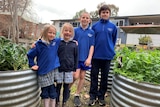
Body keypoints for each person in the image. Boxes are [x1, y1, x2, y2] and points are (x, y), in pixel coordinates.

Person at [88, 5, 118, 106]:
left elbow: (113, 41)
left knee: (104, 78)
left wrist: (110, 49)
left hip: (107, 57)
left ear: (109, 14)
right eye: (103, 12)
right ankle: (92, 96)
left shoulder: (113, 27)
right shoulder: (95, 26)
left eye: (106, 12)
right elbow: (92, 41)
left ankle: (101, 97)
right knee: (94, 77)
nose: (104, 14)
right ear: (100, 14)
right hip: (96, 56)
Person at [27, 24, 61, 107]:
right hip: (43, 72)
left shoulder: (55, 42)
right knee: (45, 92)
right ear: (45, 32)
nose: (52, 35)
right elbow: (30, 55)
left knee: (53, 92)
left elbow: (65, 39)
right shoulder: (38, 45)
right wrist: (32, 64)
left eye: (54, 33)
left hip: (52, 71)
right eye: (50, 32)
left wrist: (73, 41)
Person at [68, 12, 95, 107]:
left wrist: (89, 58)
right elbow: (69, 41)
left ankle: (77, 94)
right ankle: (67, 90)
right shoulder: (75, 31)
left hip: (85, 59)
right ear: (80, 19)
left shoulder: (91, 32)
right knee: (75, 76)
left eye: (87, 18)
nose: (85, 19)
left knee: (82, 77)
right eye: (83, 17)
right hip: (76, 58)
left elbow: (92, 46)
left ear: (89, 20)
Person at [55, 23, 78, 107]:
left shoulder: (74, 44)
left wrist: (74, 69)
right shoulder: (58, 43)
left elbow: (76, 57)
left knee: (66, 87)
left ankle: (64, 102)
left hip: (69, 69)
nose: (67, 32)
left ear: (72, 33)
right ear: (62, 31)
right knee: (58, 86)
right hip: (59, 68)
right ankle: (56, 101)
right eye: (66, 30)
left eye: (69, 31)